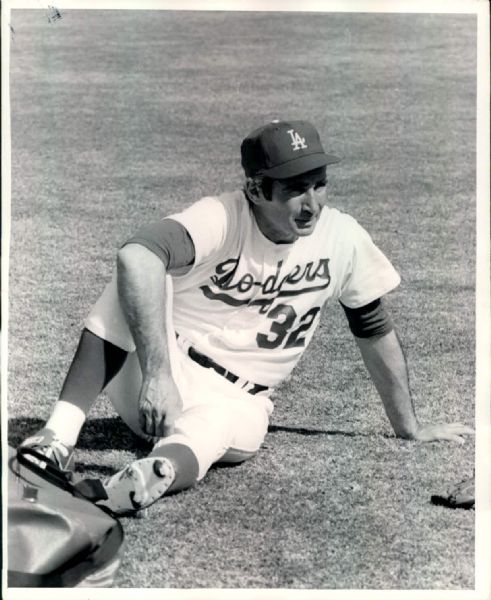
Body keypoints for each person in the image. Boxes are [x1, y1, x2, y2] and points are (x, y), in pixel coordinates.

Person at [21, 120, 473, 515]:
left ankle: (148, 477)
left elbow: (373, 328)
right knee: (138, 272)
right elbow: (137, 255)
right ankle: (55, 439)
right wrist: (159, 374)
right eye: (295, 188)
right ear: (256, 190)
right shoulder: (222, 216)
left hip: (242, 400)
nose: (311, 203)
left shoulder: (342, 237)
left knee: (214, 428)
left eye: (318, 183)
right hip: (160, 372)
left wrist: (408, 427)